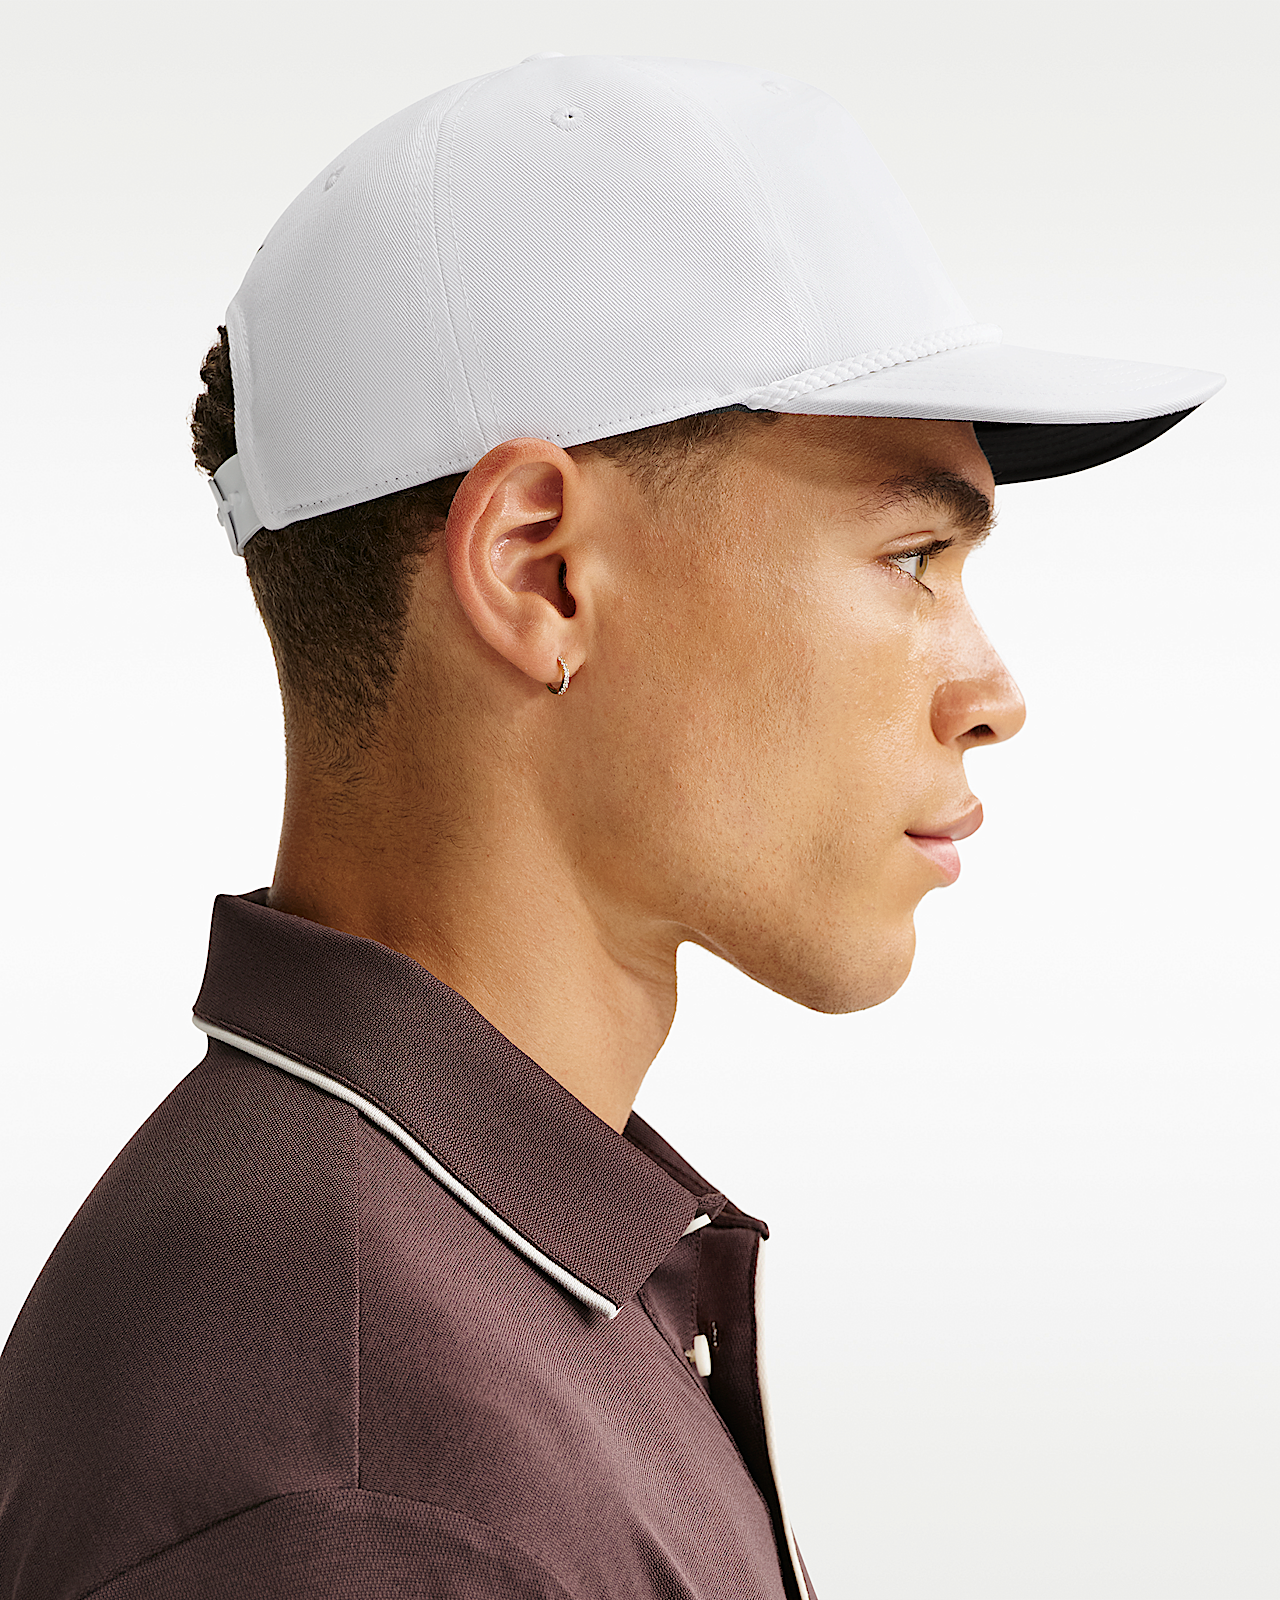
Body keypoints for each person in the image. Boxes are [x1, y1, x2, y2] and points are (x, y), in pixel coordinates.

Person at [0, 53, 1221, 1600]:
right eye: (915, 555)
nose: (995, 696)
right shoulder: (365, 1484)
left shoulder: (462, 1280)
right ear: (542, 573)